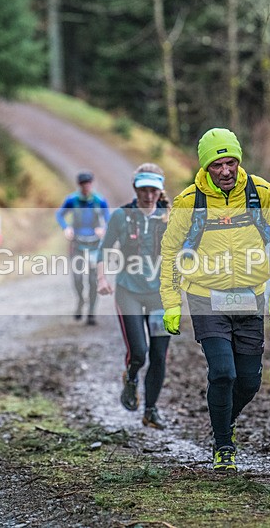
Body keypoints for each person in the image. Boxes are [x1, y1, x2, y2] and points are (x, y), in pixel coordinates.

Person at [159, 127, 270, 472]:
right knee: (222, 372)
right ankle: (223, 445)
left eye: (231, 162)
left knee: (248, 380)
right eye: (217, 164)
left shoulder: (260, 193)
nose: (225, 170)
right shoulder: (189, 202)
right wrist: (172, 301)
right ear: (206, 167)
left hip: (250, 296)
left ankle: (224, 420)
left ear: (238, 161)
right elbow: (170, 251)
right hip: (205, 297)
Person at [97, 164, 172, 429]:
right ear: (135, 188)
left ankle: (151, 410)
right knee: (139, 352)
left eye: (154, 190)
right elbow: (103, 249)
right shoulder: (122, 216)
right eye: (144, 189)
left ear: (160, 190)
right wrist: (102, 278)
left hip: (161, 295)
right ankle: (130, 377)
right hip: (128, 291)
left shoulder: (168, 217)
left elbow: (187, 249)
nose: (149, 195)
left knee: (159, 355)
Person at [56, 171, 110, 325]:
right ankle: (81, 300)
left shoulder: (100, 201)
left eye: (88, 183)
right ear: (79, 185)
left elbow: (108, 219)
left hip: (94, 245)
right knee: (78, 278)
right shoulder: (72, 200)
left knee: (94, 280)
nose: (86, 186)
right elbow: (60, 215)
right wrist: (66, 228)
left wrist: (103, 229)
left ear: (92, 184)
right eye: (83, 184)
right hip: (77, 244)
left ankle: (92, 312)